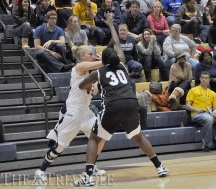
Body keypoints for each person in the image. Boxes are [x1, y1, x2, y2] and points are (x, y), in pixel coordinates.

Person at [74, 13, 169, 186]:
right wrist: (111, 25)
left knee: (94, 138)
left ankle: (87, 177)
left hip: (113, 105)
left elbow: (81, 86)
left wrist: (91, 85)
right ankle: (160, 166)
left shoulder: (98, 72)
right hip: (132, 103)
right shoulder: (123, 65)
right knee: (138, 137)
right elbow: (117, 44)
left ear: (103, 61)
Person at [34, 44, 106, 182]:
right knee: (61, 146)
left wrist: (98, 82)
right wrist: (103, 59)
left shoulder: (89, 74)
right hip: (73, 111)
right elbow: (102, 63)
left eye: (93, 54)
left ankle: (91, 166)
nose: (92, 56)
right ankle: (41, 170)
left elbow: (94, 91)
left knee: (101, 136)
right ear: (82, 56)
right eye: (90, 54)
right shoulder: (78, 67)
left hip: (85, 110)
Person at [185, 71, 216, 152]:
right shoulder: (193, 90)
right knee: (209, 119)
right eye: (203, 78)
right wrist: (197, 109)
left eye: (206, 78)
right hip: (197, 114)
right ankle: (206, 144)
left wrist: (215, 111)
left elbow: (215, 107)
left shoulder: (212, 93)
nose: (204, 79)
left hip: (210, 113)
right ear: (200, 79)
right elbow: (187, 106)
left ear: (209, 80)